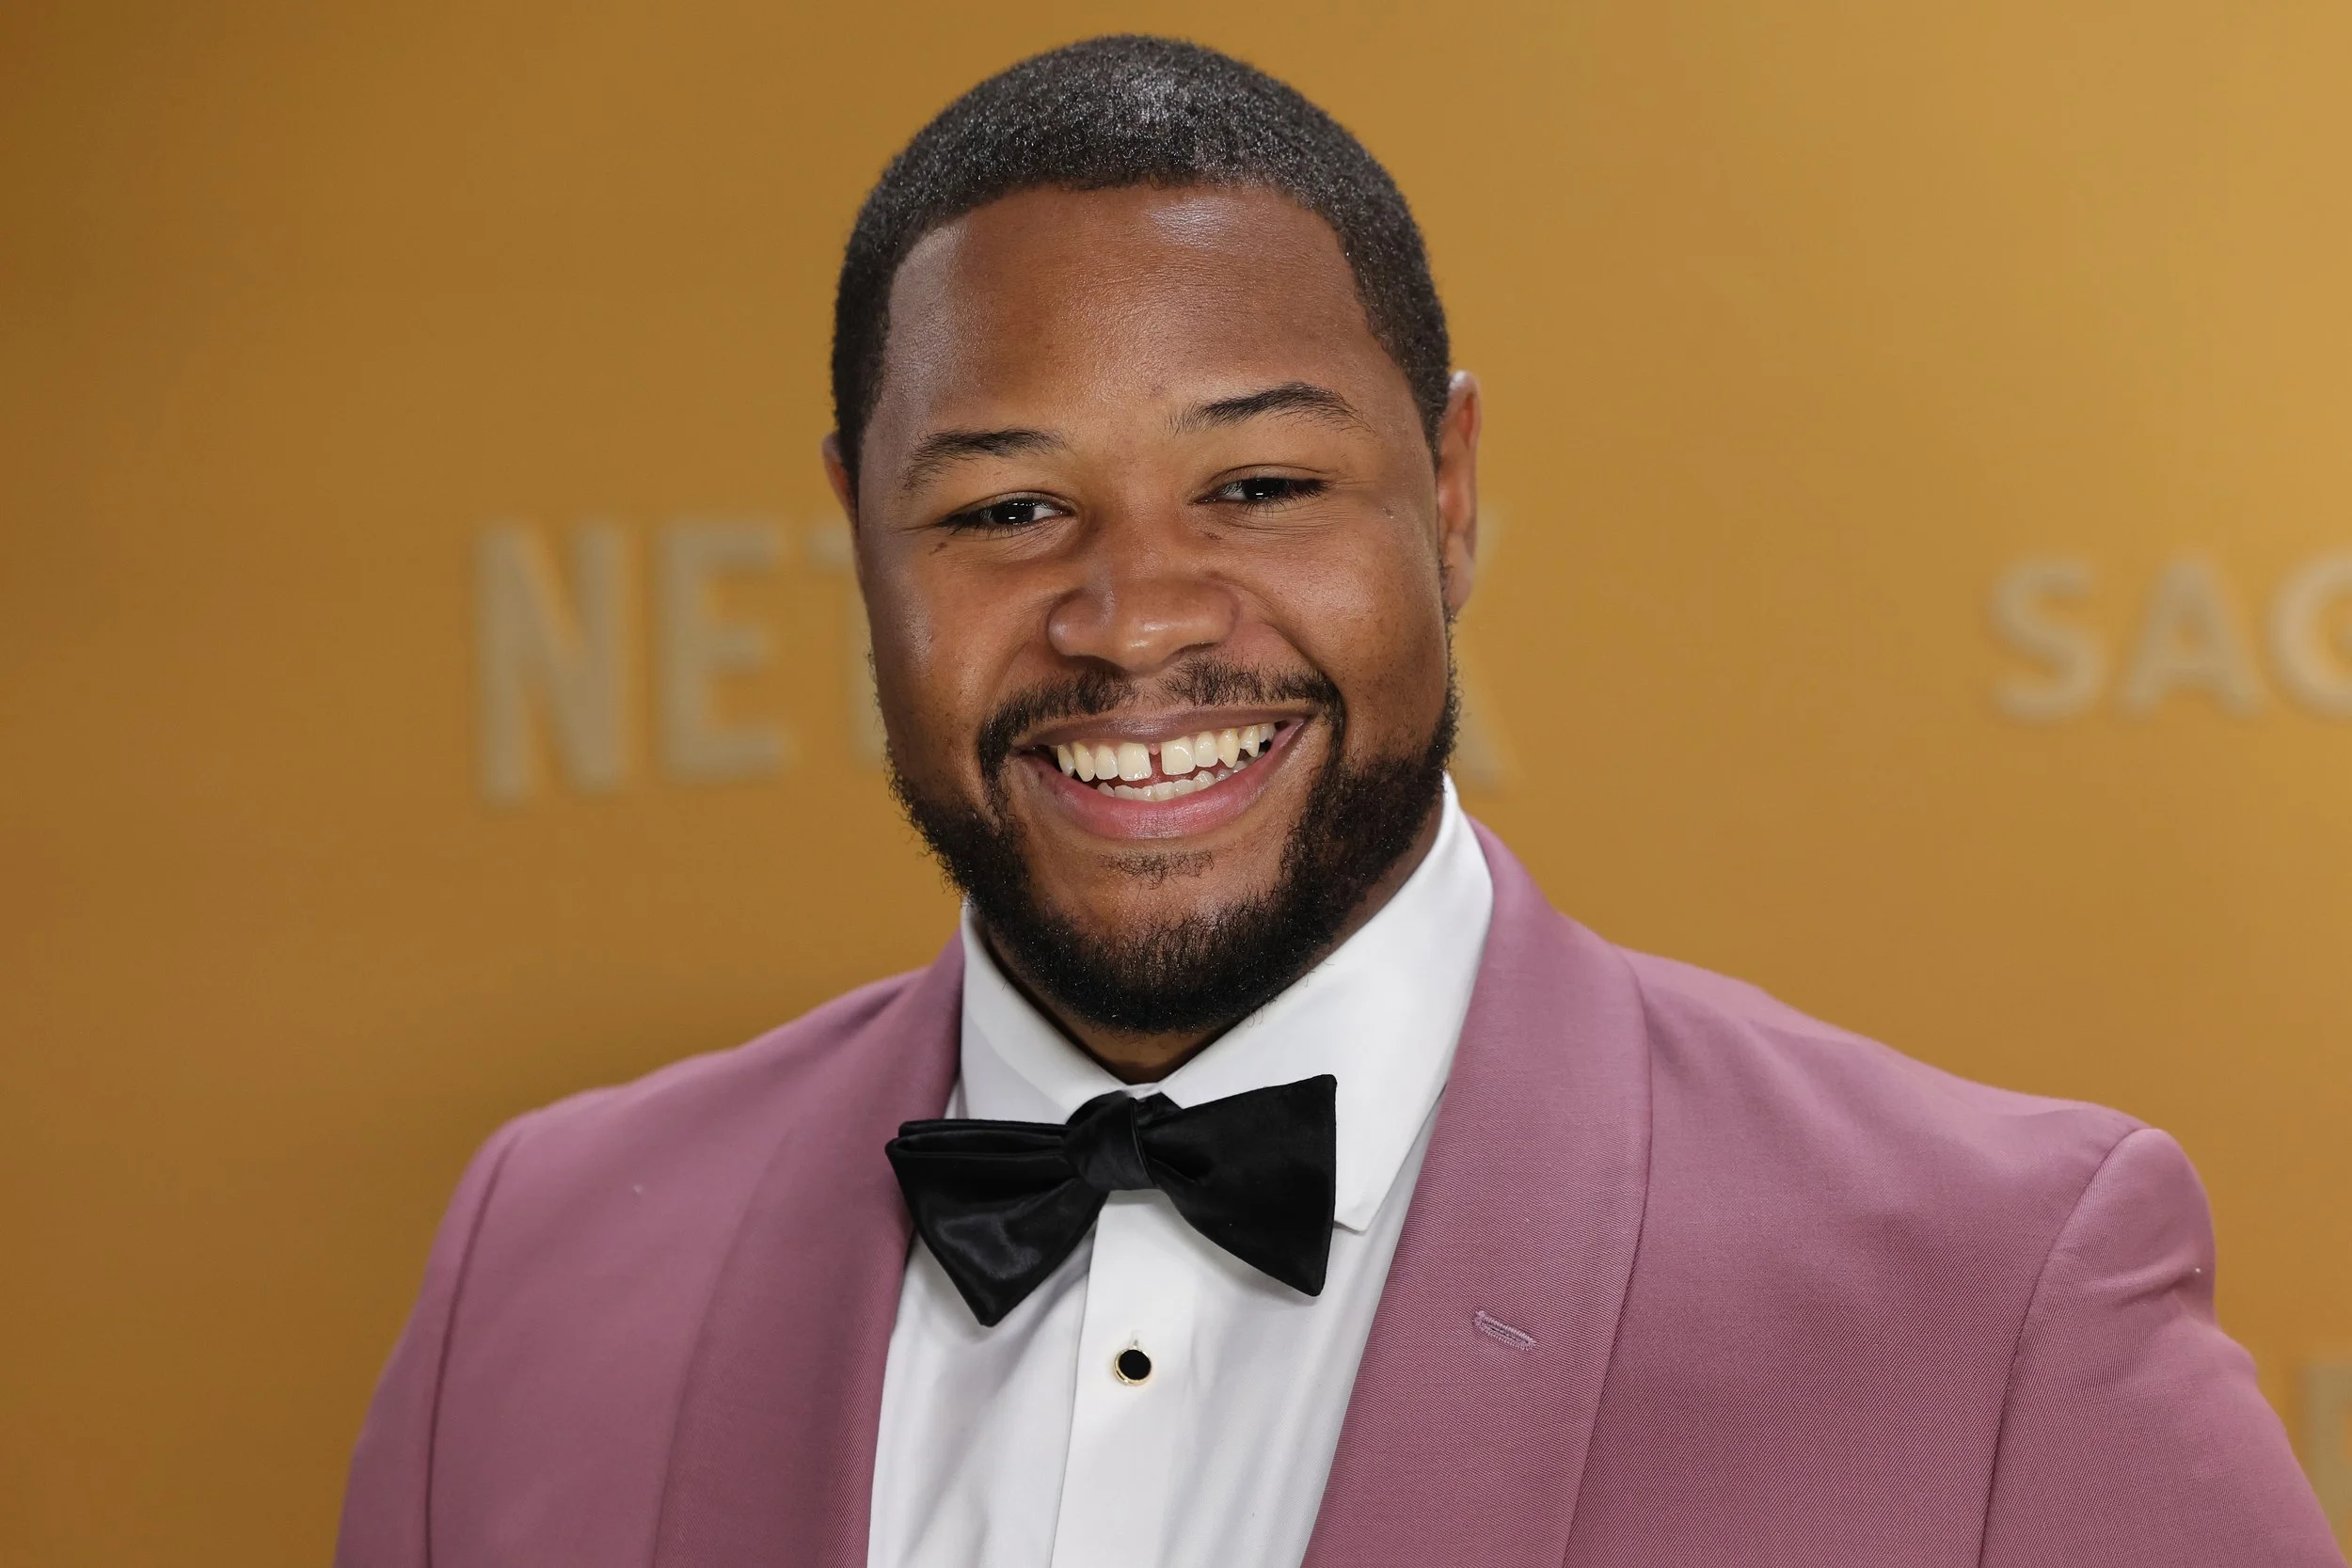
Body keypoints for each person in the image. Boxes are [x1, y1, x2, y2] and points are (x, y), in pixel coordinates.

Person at [335, 34, 2344, 1568]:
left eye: (1259, 485)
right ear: (856, 534)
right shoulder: (533, 1269)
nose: (1134, 618)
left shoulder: (1993, 1299)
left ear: (1447, 497)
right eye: (1007, 509)